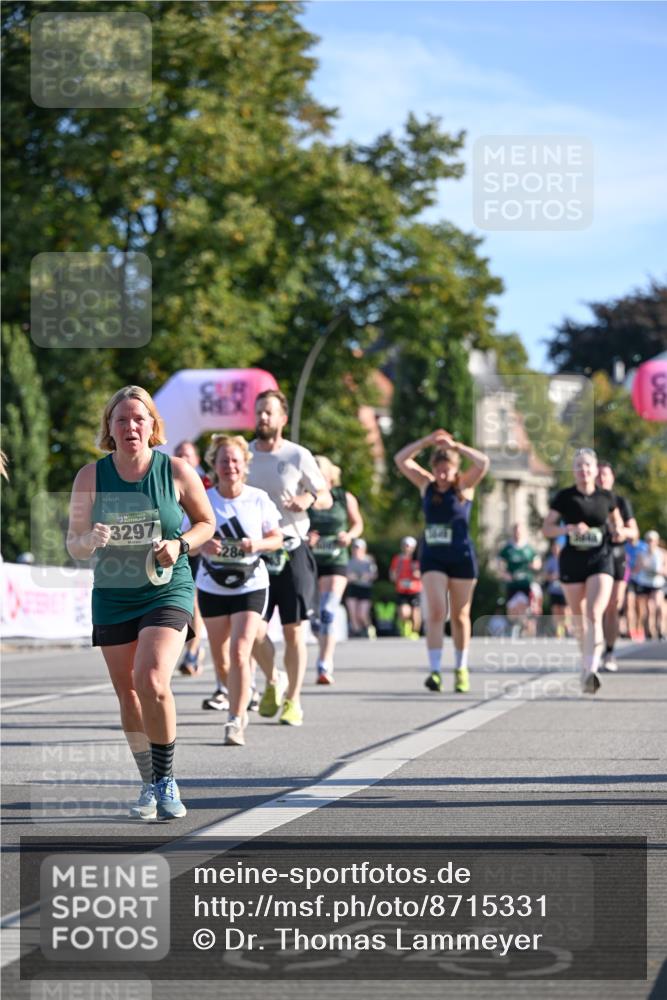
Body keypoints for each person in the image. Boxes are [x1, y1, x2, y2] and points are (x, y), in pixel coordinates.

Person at [67, 386, 215, 819]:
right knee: (128, 694)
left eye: (139, 418)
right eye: (121, 420)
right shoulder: (90, 477)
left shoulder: (176, 470)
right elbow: (73, 545)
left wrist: (181, 544)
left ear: (153, 426)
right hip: (113, 594)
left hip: (166, 588)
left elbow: (207, 523)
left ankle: (167, 780)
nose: (130, 426)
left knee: (150, 679)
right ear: (109, 429)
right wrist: (88, 540)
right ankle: (148, 782)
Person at [246, 389, 331, 727]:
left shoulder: (298, 455)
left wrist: (308, 499)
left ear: (282, 418)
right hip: (255, 553)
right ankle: (272, 679)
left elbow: (325, 495)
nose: (262, 418)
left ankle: (293, 700)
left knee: (294, 632)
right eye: (258, 412)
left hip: (292, 549)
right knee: (252, 629)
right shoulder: (244, 455)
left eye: (269, 412)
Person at [194, 435, 283, 746]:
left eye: (235, 460)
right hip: (212, 585)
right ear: (213, 465)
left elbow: (277, 538)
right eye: (223, 460)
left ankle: (235, 721)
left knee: (240, 649)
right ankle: (241, 693)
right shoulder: (203, 499)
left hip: (251, 582)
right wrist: (202, 543)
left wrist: (255, 544)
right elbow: (185, 541)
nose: (229, 466)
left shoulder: (257, 498)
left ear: (245, 464)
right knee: (222, 659)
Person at [394, 429, 490, 693]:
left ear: (455, 469)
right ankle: (435, 671)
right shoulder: (426, 485)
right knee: (436, 611)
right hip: (434, 557)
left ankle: (461, 668)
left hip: (461, 557)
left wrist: (457, 446)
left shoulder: (464, 487)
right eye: (439, 470)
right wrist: (426, 442)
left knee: (460, 615)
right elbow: (401, 460)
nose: (442, 475)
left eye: (447, 470)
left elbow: (483, 463)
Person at [542, 448, 624, 694]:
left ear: (595, 468)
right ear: (574, 470)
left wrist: (618, 531)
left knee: (593, 613)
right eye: (578, 466)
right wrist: (568, 529)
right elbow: (547, 529)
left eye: (587, 465)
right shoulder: (565, 497)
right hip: (572, 562)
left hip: (601, 559)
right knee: (579, 619)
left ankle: (592, 669)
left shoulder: (607, 497)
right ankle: (586, 663)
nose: (583, 470)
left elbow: (617, 523)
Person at [307, 455, 363, 684]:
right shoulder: (304, 498)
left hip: (336, 559)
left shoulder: (343, 497)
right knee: (315, 617)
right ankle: (317, 633)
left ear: (330, 475)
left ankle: (324, 663)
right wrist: (305, 536)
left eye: (319, 471)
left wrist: (348, 536)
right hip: (310, 560)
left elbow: (358, 523)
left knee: (329, 611)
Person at [173, 440, 212, 676]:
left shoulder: (205, 482)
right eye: (179, 454)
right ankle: (193, 648)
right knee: (185, 603)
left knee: (194, 601)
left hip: (197, 546)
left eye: (188, 455)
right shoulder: (167, 479)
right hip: (173, 546)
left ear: (196, 460)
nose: (183, 459)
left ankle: (192, 652)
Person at [595, 461, 639, 670]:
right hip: (594, 556)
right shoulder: (588, 501)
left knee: (613, 604)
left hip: (617, 555)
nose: (602, 478)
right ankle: (594, 648)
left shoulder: (621, 502)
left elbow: (635, 534)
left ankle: (609, 652)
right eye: (599, 475)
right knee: (596, 607)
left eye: (605, 475)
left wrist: (623, 532)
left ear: (612, 478)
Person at [497, 523, 542, 605]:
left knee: (526, 609)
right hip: (512, 584)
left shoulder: (529, 548)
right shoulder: (508, 548)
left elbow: (538, 563)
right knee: (512, 609)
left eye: (519, 532)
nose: (517, 534)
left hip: (526, 584)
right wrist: (504, 574)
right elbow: (500, 563)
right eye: (516, 531)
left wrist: (534, 565)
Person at [633, 531, 666, 640]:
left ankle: (661, 629)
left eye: (652, 540)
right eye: (648, 540)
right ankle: (650, 631)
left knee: (658, 605)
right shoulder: (641, 554)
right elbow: (636, 569)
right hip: (645, 582)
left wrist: (659, 571)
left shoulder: (662, 553)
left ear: (656, 541)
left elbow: (665, 569)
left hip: (658, 583)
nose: (650, 543)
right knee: (648, 608)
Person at [389, 536, 422, 639]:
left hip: (415, 590)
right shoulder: (397, 559)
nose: (407, 548)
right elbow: (392, 574)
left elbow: (425, 574)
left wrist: (418, 575)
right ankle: (405, 629)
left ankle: (415, 631)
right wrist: (395, 577)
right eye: (405, 545)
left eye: (409, 546)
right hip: (402, 590)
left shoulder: (418, 559)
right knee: (404, 612)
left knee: (416, 615)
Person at [345, 539, 378, 637]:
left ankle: (369, 628)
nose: (356, 550)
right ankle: (358, 633)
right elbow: (344, 576)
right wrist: (350, 577)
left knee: (362, 614)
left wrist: (366, 576)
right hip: (352, 588)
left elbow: (374, 575)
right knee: (353, 613)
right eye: (355, 547)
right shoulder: (349, 561)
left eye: (358, 548)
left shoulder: (369, 561)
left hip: (365, 589)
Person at [543, 539, 569, 637]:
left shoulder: (566, 559)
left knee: (565, 611)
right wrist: (552, 577)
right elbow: (545, 575)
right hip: (553, 589)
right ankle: (559, 631)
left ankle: (567, 628)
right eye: (554, 548)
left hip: (564, 589)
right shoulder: (550, 561)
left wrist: (560, 576)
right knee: (556, 610)